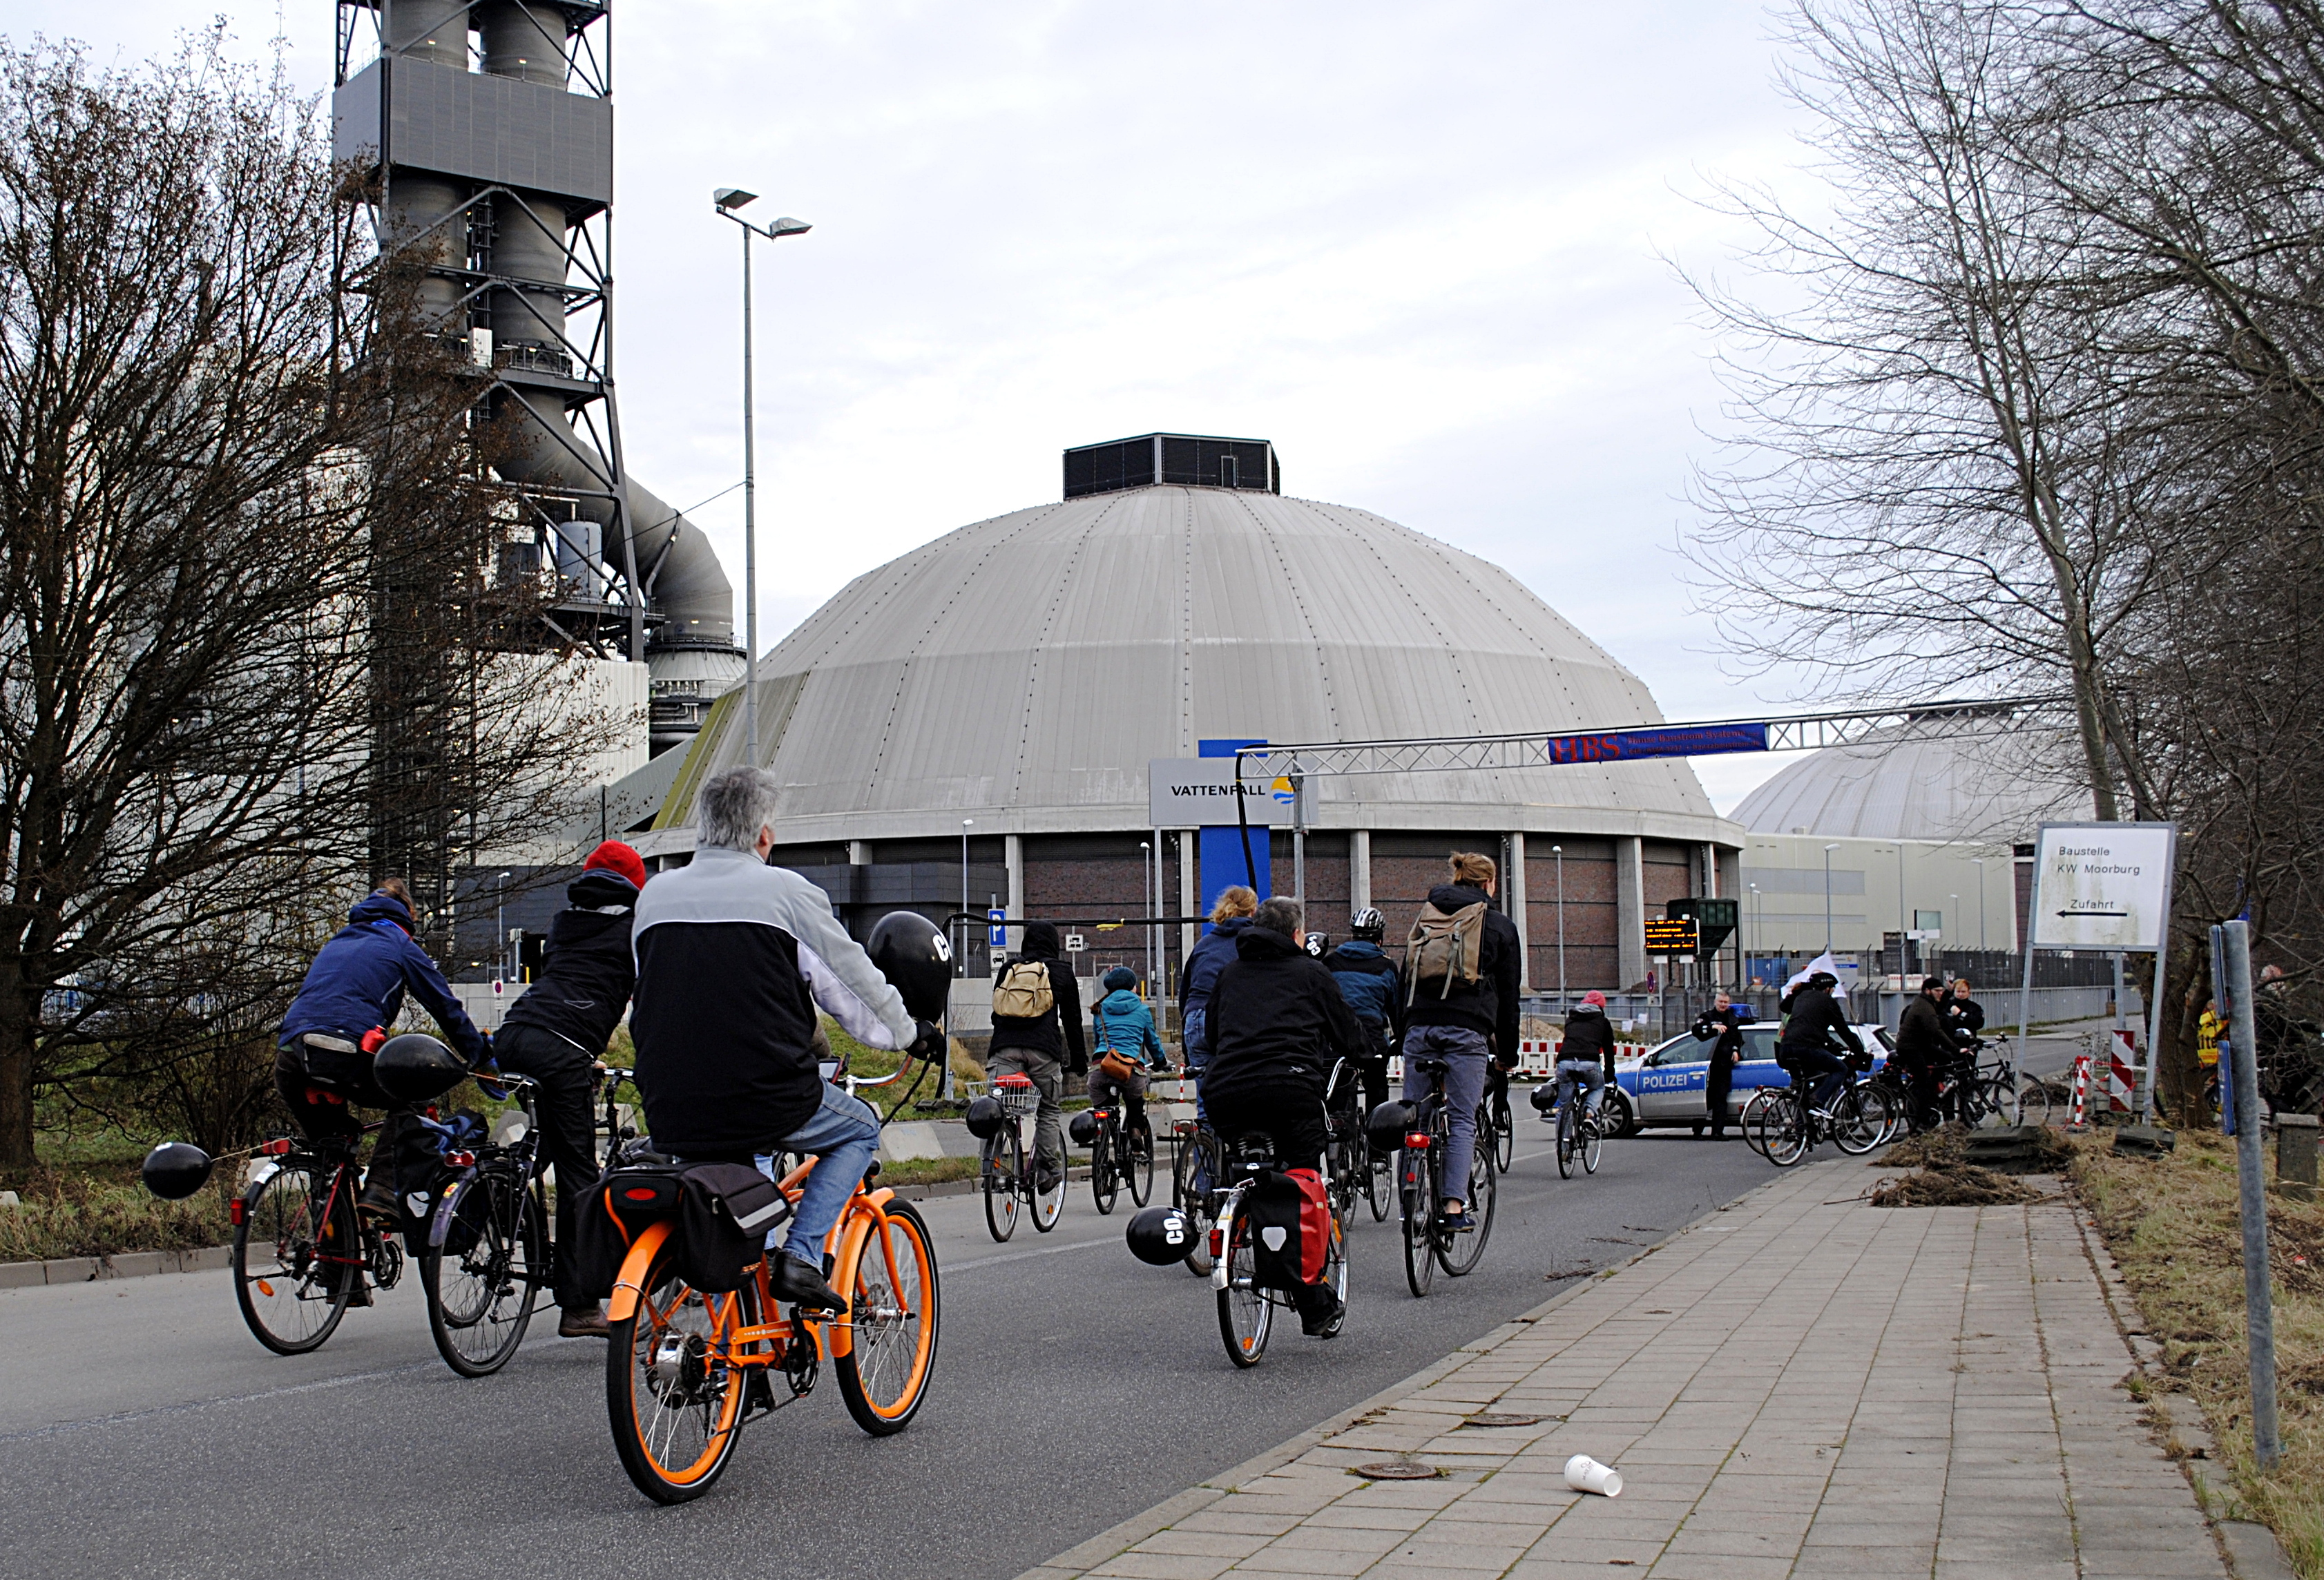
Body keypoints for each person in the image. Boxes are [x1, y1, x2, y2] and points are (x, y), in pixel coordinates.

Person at [629, 767, 941, 1314]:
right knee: (859, 1129)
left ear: (701, 830)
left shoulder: (654, 897)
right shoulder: (785, 894)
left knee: (745, 1168)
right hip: (766, 1094)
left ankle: (750, 1300)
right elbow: (852, 985)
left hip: (668, 1101)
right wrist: (907, 1033)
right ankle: (799, 1256)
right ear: (764, 837)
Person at [489, 840, 646, 1338]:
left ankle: (499, 1197)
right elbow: (644, 1001)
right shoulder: (636, 931)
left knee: (547, 1142)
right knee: (581, 1172)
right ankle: (579, 1307)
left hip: (515, 1034)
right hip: (561, 1049)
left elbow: (569, 985)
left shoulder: (564, 923)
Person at [277, 877, 488, 1237]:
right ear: (409, 917)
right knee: (415, 1097)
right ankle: (382, 1191)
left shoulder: (339, 941)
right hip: (344, 1054)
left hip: (293, 1058)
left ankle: (340, 1278)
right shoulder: (401, 944)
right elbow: (445, 1007)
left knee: (329, 1161)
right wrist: (481, 1058)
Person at [1200, 896, 1366, 1336]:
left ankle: (1239, 1220)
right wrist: (1368, 1055)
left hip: (1227, 1093)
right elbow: (1348, 1033)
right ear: (1296, 934)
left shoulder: (1230, 973)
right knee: (1303, 1180)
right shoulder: (1312, 973)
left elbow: (1212, 1035)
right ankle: (1313, 1301)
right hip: (1290, 1091)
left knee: (1244, 1172)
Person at [1401, 851, 1521, 1231]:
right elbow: (1509, 998)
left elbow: (1405, 977)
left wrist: (1405, 1030)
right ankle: (1453, 1207)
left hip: (1420, 1026)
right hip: (1467, 1030)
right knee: (1461, 1119)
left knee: (1414, 1118)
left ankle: (1411, 1207)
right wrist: (1507, 1054)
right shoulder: (1499, 925)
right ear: (1489, 884)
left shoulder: (1427, 915)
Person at [988, 918, 1086, 1194]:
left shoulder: (1011, 968)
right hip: (1044, 1052)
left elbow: (997, 1013)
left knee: (998, 1109)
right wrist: (1079, 1061)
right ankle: (1048, 1170)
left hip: (1005, 1049)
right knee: (1048, 1109)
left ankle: (994, 1167)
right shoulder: (1062, 971)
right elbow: (1072, 1021)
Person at [1180, 885, 1258, 1112]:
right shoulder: (1250, 943)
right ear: (1253, 912)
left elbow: (1185, 995)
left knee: (1206, 1102)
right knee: (1239, 1095)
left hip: (1195, 1020)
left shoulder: (1204, 945)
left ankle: (1206, 1145)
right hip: (1226, 1019)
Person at [1323, 907, 1402, 1120]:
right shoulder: (1387, 967)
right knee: (1377, 1083)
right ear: (1380, 938)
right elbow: (1396, 1012)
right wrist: (1400, 1042)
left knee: (1336, 1085)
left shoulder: (1330, 963)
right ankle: (1377, 1148)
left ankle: (1337, 1133)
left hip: (1336, 1041)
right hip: (1372, 1041)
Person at [1089, 965, 1169, 1133]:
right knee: (1135, 1106)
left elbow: (1098, 1043)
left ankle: (1104, 1130)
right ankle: (1136, 1136)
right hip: (1131, 1068)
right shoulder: (1142, 1010)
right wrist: (1160, 1061)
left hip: (1101, 1067)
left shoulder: (1099, 1009)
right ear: (1133, 987)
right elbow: (1152, 1042)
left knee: (1103, 1106)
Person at [1776, 970, 1863, 1119]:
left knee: (1808, 1087)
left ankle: (1803, 1135)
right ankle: (1819, 1104)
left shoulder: (1802, 997)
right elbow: (1843, 1030)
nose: (1833, 992)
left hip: (1785, 1049)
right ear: (1827, 988)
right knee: (1840, 1070)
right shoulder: (1828, 1002)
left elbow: (1805, 1023)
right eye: (1833, 989)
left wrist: (1833, 1046)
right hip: (1806, 1049)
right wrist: (1858, 1051)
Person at [1892, 975, 1954, 1130]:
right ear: (1927, 991)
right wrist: (1957, 1049)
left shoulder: (1928, 1005)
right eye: (1938, 991)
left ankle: (1933, 1115)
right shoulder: (1922, 1008)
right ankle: (1921, 1121)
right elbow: (1936, 1030)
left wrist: (1948, 993)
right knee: (1924, 1083)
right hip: (1915, 1049)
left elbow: (1940, 1007)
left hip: (1924, 1047)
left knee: (1941, 1070)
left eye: (1942, 991)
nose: (1941, 993)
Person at [1556, 990, 1618, 1134]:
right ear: (1601, 1007)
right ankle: (1590, 1113)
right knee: (1598, 1088)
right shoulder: (1603, 1022)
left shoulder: (1571, 1019)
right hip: (1589, 1062)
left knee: (1564, 1106)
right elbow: (1608, 1049)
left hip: (1565, 1061)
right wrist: (1610, 1071)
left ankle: (1563, 1150)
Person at [1689, 991, 1747, 1138]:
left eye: (1725, 1002)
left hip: (1724, 1065)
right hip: (1707, 1065)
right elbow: (1695, 1031)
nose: (1723, 1005)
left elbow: (1737, 1038)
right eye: (1721, 1002)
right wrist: (1712, 1028)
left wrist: (1736, 1051)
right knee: (1704, 1099)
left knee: (1721, 1099)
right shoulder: (1707, 1017)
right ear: (1715, 1002)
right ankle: (1697, 1131)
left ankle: (1717, 1132)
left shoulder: (1732, 1019)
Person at [1946, 977, 1986, 1050]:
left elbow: (1979, 1023)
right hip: (1950, 1043)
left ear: (1968, 992)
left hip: (1969, 1043)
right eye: (1958, 991)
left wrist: (1961, 1014)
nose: (1960, 994)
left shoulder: (1974, 1007)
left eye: (1963, 992)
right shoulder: (1948, 1005)